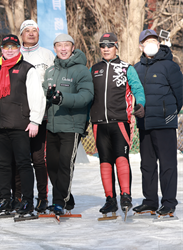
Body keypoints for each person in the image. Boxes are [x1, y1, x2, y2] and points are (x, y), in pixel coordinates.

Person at [0, 35, 45, 217]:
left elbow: (37, 95)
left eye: (13, 46)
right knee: (3, 165)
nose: (10, 50)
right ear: (1, 49)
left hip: (20, 124)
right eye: (6, 47)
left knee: (23, 163)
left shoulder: (27, 69)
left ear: (19, 48)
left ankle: (27, 201)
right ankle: (5, 199)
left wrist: (35, 120)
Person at [90, 33, 145, 216]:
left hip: (120, 121)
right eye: (102, 46)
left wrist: (140, 104)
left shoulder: (126, 68)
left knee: (121, 158)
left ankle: (126, 195)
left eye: (109, 45)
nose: (106, 49)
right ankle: (110, 199)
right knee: (104, 161)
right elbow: (88, 96)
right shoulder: (94, 69)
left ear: (116, 47)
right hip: (99, 123)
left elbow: (137, 88)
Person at [133, 29, 183, 217]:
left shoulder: (170, 66)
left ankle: (169, 202)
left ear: (159, 43)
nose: (150, 44)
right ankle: (150, 201)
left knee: (167, 164)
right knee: (147, 164)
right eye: (147, 41)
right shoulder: (136, 68)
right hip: (144, 123)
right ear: (141, 46)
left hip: (165, 122)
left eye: (154, 40)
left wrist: (170, 113)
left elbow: (180, 94)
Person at [43, 33, 94, 216]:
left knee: (65, 163)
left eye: (67, 45)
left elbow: (86, 96)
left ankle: (59, 202)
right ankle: (67, 198)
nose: (63, 49)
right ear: (55, 48)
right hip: (52, 125)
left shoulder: (81, 70)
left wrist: (62, 98)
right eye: (59, 45)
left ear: (73, 48)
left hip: (72, 125)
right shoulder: (51, 71)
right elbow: (42, 95)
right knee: (52, 165)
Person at [19, 20, 55, 212]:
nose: (31, 34)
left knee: (39, 158)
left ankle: (43, 197)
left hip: (41, 114)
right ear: (21, 35)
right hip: (18, 115)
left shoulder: (47, 55)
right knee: (20, 159)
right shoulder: (14, 54)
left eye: (34, 30)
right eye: (27, 31)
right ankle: (21, 197)